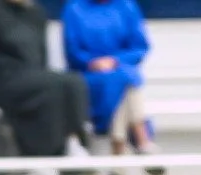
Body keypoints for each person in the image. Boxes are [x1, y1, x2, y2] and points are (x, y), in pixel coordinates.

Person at [0, 0, 90, 159]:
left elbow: (41, 53)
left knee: (73, 81)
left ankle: (73, 139)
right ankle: (42, 154)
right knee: (50, 86)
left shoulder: (37, 13)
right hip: (2, 80)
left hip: (33, 76)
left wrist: (43, 75)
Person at [63, 0, 157, 164]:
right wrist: (93, 62)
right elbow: (72, 50)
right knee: (125, 81)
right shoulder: (74, 8)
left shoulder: (126, 6)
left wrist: (114, 60)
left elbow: (139, 47)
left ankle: (120, 151)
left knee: (123, 78)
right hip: (88, 74)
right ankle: (140, 140)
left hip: (120, 67)